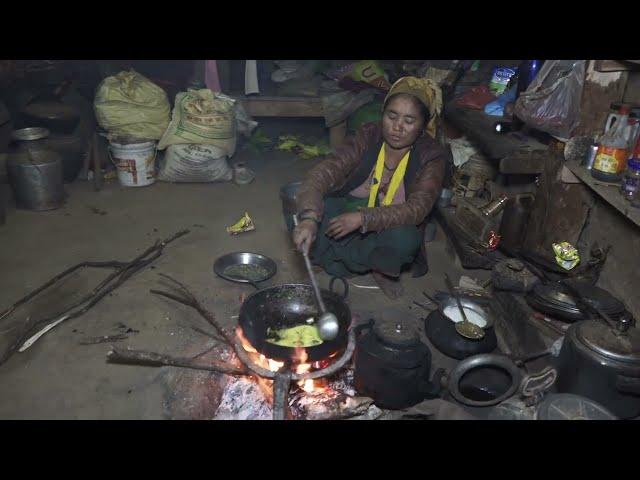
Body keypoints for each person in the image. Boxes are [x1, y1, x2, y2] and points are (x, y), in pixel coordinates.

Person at [293, 76, 448, 299]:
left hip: (389, 225)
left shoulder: (431, 156)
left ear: (423, 125)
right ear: (382, 114)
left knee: (405, 238)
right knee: (306, 211)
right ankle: (327, 256)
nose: (397, 127)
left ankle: (381, 269)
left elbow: (417, 209)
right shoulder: (367, 135)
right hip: (349, 212)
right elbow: (325, 171)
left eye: (409, 120)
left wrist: (363, 218)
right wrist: (309, 217)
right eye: (391, 116)